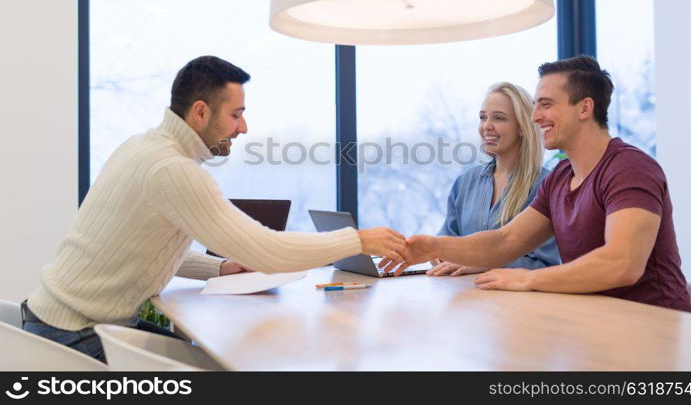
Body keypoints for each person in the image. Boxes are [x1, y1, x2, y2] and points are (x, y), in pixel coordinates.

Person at [23, 56, 407, 361]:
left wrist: (219, 267)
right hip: (75, 337)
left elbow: (139, 243)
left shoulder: (141, 148)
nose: (243, 128)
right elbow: (267, 250)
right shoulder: (172, 170)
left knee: (207, 357)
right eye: (236, 114)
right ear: (201, 112)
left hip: (54, 321)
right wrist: (356, 240)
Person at [384, 56, 691, 312]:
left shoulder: (629, 168)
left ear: (585, 108)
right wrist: (434, 246)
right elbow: (505, 241)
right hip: (593, 320)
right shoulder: (560, 178)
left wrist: (528, 279)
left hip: (652, 327)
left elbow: (622, 263)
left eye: (545, 104)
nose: (534, 117)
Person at [429, 82, 559, 277]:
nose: (486, 126)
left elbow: (544, 263)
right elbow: (446, 239)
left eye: (499, 118)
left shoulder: (546, 185)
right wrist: (439, 253)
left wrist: (486, 264)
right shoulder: (466, 182)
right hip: (464, 295)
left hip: (518, 302)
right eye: (483, 117)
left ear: (522, 127)